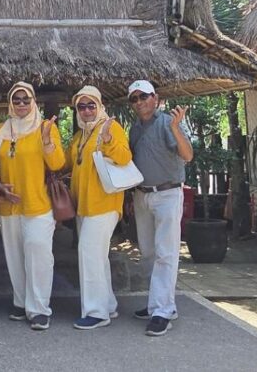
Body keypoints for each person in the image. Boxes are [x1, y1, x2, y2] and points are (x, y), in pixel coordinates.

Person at [0, 82, 64, 331]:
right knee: (15, 256)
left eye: (26, 99)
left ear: (34, 101)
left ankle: (40, 308)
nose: (21, 104)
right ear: (11, 103)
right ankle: (21, 303)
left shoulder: (45, 128)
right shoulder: (0, 131)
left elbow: (57, 164)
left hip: (38, 203)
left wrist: (46, 143)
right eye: (17, 100)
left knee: (39, 253)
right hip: (9, 207)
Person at [127, 79, 193, 337]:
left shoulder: (167, 123)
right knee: (147, 252)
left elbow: (187, 155)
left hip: (167, 193)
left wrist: (176, 127)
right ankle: (159, 303)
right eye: (134, 98)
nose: (140, 102)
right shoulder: (134, 129)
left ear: (155, 97)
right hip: (142, 195)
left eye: (144, 96)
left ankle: (163, 311)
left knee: (166, 253)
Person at [65, 86, 133, 330]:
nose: (86, 110)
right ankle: (108, 305)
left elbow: (124, 157)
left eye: (90, 105)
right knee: (98, 257)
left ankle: (96, 312)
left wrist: (107, 140)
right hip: (85, 205)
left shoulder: (110, 127)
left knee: (89, 254)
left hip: (104, 204)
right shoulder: (81, 134)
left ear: (100, 105)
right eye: (81, 106)